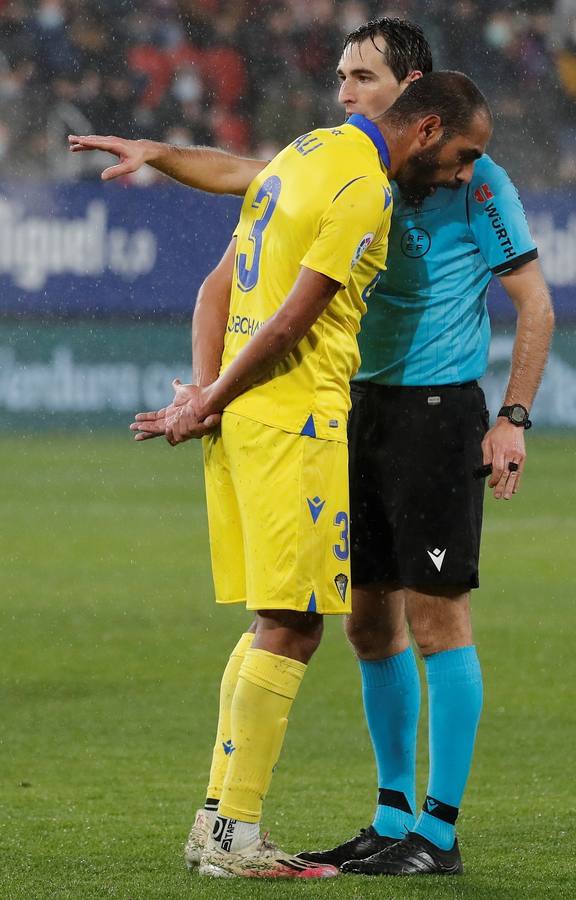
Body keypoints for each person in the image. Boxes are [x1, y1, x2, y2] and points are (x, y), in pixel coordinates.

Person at [72, 70, 494, 878]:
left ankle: (214, 819)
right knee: (295, 626)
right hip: (293, 417)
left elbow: (220, 273)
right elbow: (294, 316)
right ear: (427, 128)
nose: (464, 175)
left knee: (271, 621)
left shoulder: (305, 151)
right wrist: (209, 399)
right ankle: (236, 834)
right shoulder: (362, 189)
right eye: (464, 154)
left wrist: (206, 397)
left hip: (246, 423)